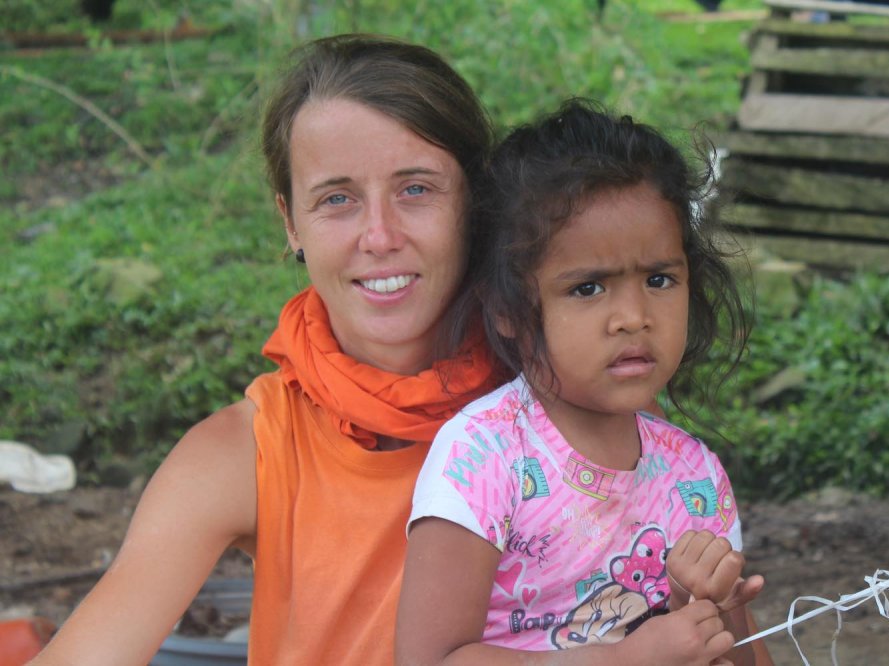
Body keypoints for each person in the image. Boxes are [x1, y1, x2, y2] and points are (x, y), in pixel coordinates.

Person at [30, 34, 500, 665]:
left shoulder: (564, 407)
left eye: (416, 188)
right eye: (337, 198)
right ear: (290, 223)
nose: (380, 236)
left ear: (474, 201)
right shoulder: (249, 452)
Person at [396, 100, 772, 665]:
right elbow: (429, 660)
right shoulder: (485, 455)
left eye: (660, 278)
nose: (633, 316)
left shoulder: (694, 477)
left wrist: (714, 610)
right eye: (588, 288)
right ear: (507, 309)